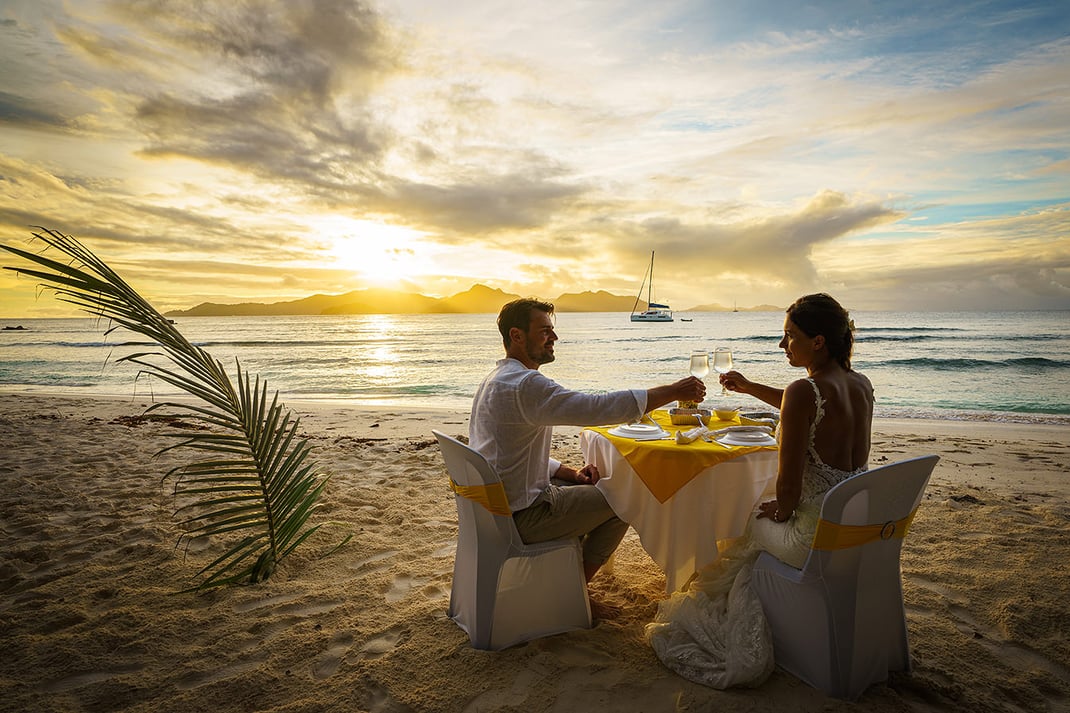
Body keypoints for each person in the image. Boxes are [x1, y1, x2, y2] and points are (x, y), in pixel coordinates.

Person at [645, 292, 874, 688]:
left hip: (813, 538)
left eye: (789, 336)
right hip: (855, 525)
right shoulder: (860, 384)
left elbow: (787, 489)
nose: (782, 345)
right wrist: (750, 388)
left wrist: (781, 512)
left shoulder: (805, 391)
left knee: (744, 524)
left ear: (817, 341)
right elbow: (800, 405)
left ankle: (741, 625)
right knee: (754, 525)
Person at [469, 297, 706, 615]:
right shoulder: (526, 385)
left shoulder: (494, 380)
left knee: (603, 490)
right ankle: (571, 595)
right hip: (522, 517)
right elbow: (596, 408)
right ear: (517, 336)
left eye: (552, 331)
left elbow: (502, 452)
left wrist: (567, 472)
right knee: (624, 501)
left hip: (495, 511)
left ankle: (564, 580)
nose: (554, 338)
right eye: (544, 331)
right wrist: (672, 391)